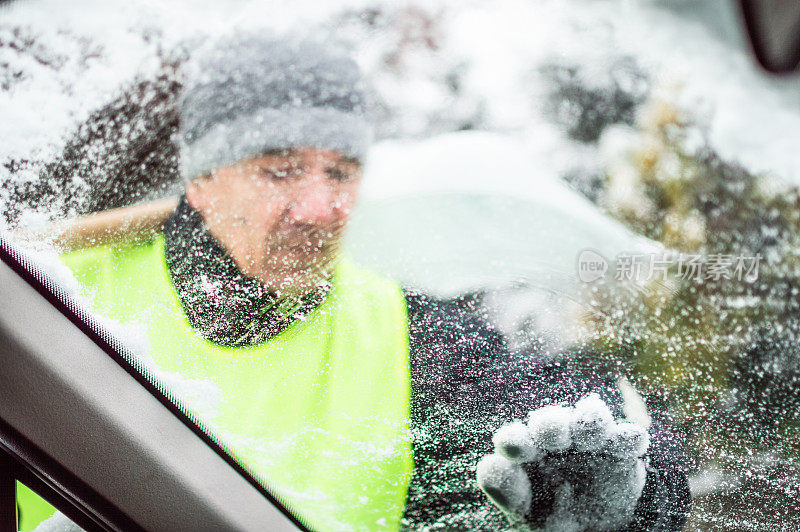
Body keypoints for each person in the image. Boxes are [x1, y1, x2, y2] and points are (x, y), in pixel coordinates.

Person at [45, 33, 689, 531]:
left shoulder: (409, 337)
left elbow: (576, 418)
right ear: (203, 180)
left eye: (342, 172)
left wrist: (636, 498)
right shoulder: (46, 293)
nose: (323, 209)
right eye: (281, 170)